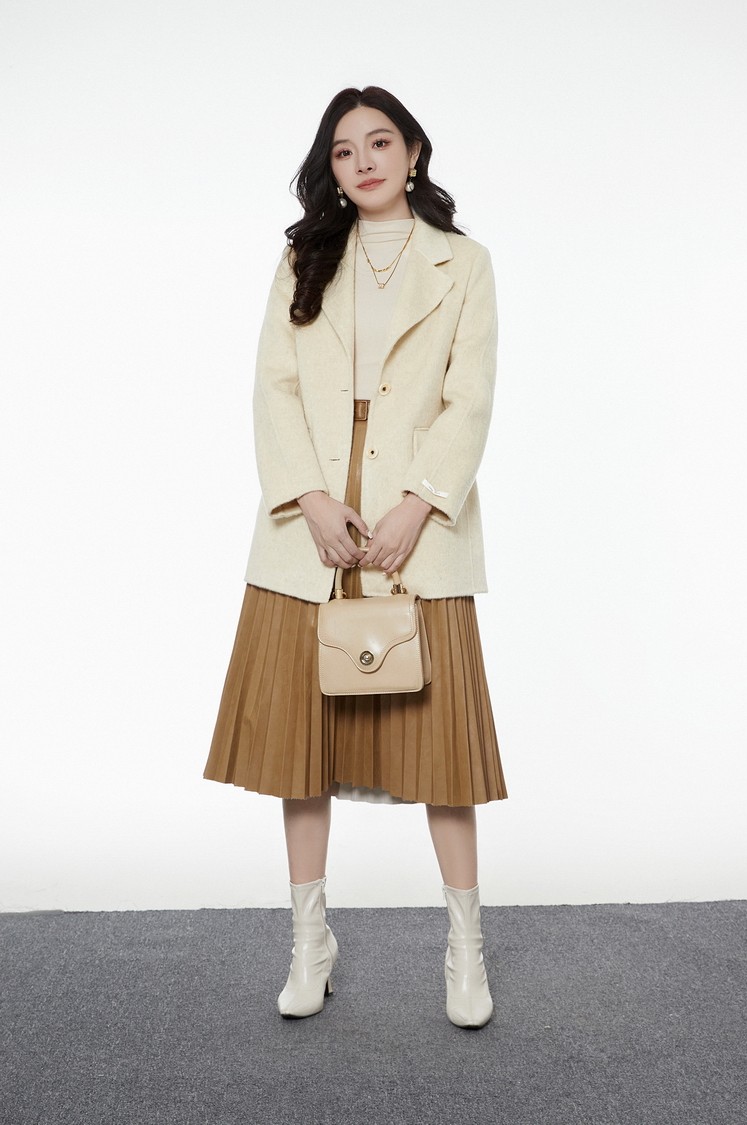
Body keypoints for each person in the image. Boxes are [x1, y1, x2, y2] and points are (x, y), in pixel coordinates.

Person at [203, 86, 508, 1029]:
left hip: (420, 519)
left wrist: (420, 501)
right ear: (330, 169)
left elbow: (470, 397)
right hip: (312, 526)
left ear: (413, 152)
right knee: (302, 749)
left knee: (444, 757)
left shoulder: (464, 262)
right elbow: (274, 386)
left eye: (380, 143)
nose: (363, 161)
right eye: (343, 151)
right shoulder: (304, 257)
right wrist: (309, 497)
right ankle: (310, 943)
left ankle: (465, 951)